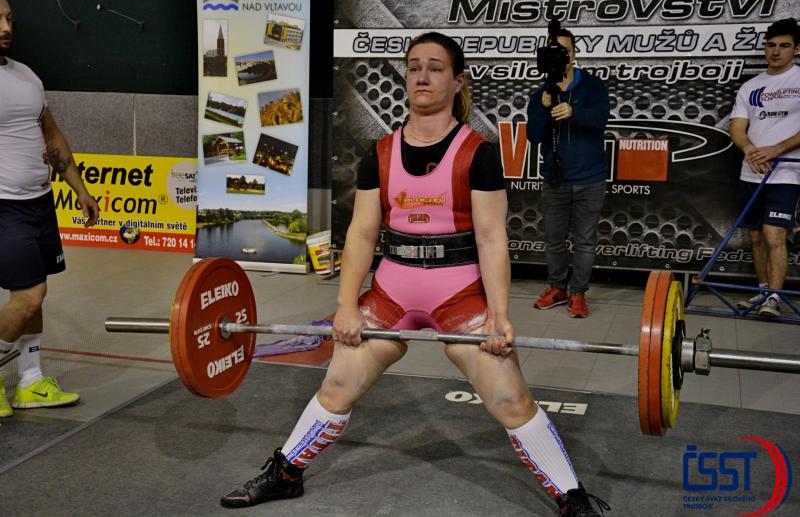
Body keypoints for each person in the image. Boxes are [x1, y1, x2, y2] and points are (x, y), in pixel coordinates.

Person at [220, 32, 608, 516]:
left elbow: (492, 239)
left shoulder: (479, 153)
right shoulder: (379, 153)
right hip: (391, 294)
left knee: (510, 398)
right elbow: (362, 234)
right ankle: (286, 474)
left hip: (459, 295)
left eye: (435, 68)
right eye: (414, 67)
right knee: (338, 385)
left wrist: (499, 316)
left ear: (458, 81)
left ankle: (571, 496)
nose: (422, 76)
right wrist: (345, 306)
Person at [0, 0, 100, 418]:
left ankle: (30, 381)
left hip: (39, 203)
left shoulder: (25, 76)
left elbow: (52, 137)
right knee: (29, 296)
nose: (6, 28)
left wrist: (80, 189)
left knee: (36, 294)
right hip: (4, 206)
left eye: (9, 19)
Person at [526, 27, 610, 318]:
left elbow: (600, 121)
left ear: (573, 54)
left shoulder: (593, 86)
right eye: (553, 50)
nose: (560, 55)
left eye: (564, 50)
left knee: (585, 241)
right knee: (554, 241)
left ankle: (578, 293)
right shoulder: (541, 94)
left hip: (590, 179)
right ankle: (557, 288)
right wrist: (543, 109)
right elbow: (534, 136)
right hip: (555, 180)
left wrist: (574, 113)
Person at [730, 18, 800, 318]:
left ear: (796, 49)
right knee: (756, 237)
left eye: (784, 45)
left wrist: (777, 149)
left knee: (774, 235)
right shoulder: (751, 86)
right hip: (752, 171)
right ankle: (762, 291)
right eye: (771, 45)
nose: (776, 51)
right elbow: (737, 128)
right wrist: (750, 151)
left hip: (787, 172)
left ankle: (774, 298)